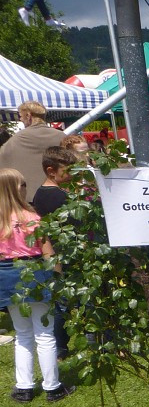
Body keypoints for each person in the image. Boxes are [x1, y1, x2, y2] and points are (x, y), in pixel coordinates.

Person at [0, 168, 72, 403]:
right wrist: (58, 277)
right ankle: (52, 386)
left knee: (22, 333)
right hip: (35, 273)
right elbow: (48, 251)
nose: (25, 187)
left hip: (7, 276)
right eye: (22, 184)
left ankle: (24, 387)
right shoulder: (32, 218)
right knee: (44, 333)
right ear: (14, 189)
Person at [31, 146, 77, 357]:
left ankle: (61, 344)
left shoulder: (44, 193)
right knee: (63, 304)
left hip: (62, 254)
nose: (72, 174)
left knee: (64, 303)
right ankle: (60, 345)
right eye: (68, 170)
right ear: (51, 171)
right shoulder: (54, 197)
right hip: (62, 254)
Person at [0, 101, 65, 200]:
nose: (21, 119)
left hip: (27, 198)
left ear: (28, 116)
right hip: (59, 195)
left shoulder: (17, 139)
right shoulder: (62, 137)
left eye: (21, 117)